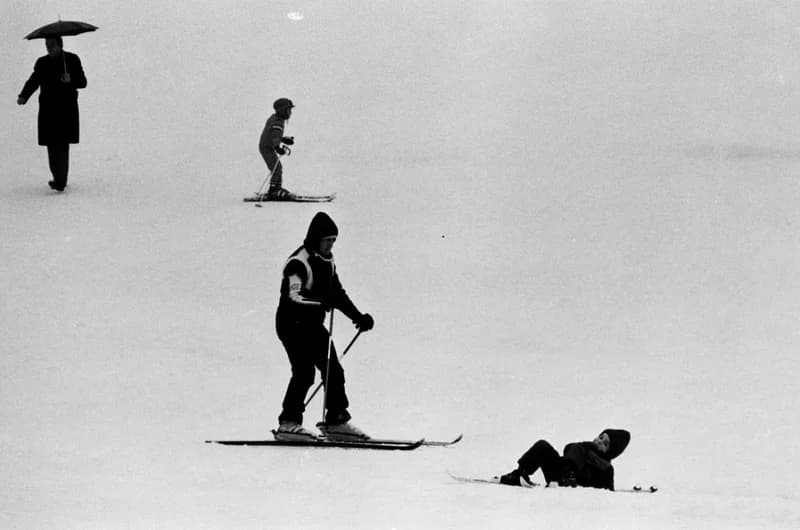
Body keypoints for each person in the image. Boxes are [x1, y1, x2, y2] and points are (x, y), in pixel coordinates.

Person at [274, 211, 375, 441]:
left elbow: (336, 293)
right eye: (327, 240)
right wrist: (321, 302)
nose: (331, 245)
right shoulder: (298, 262)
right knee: (304, 372)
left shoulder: (327, 262)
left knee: (333, 370)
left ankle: (336, 420)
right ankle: (288, 423)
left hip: (312, 324)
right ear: (315, 239)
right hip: (291, 324)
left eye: (334, 241)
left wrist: (358, 317)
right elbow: (294, 297)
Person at [18, 36, 87, 192]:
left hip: (66, 109)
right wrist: (23, 96)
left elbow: (83, 82)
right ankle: (58, 176)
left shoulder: (71, 59)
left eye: (52, 45)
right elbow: (34, 81)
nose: (49, 48)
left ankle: (60, 180)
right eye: (47, 45)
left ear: (60, 45)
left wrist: (71, 79)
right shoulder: (42, 63)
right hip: (48, 110)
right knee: (51, 144)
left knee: (62, 145)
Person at [498, 429, 631, 491]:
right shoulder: (584, 448)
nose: (599, 441)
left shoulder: (606, 466)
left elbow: (608, 489)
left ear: (610, 452)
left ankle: (569, 477)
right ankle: (520, 474)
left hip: (575, 481)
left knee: (576, 448)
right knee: (543, 446)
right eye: (600, 437)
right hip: (560, 475)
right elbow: (568, 448)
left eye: (605, 443)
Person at [259, 97, 296, 199]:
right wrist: (277, 147)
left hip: (267, 146)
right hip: (267, 147)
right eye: (288, 110)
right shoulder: (278, 122)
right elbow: (275, 135)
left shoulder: (275, 118)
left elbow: (274, 133)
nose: (290, 113)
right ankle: (274, 190)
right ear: (282, 110)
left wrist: (283, 139)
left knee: (277, 167)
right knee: (276, 168)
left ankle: (276, 188)